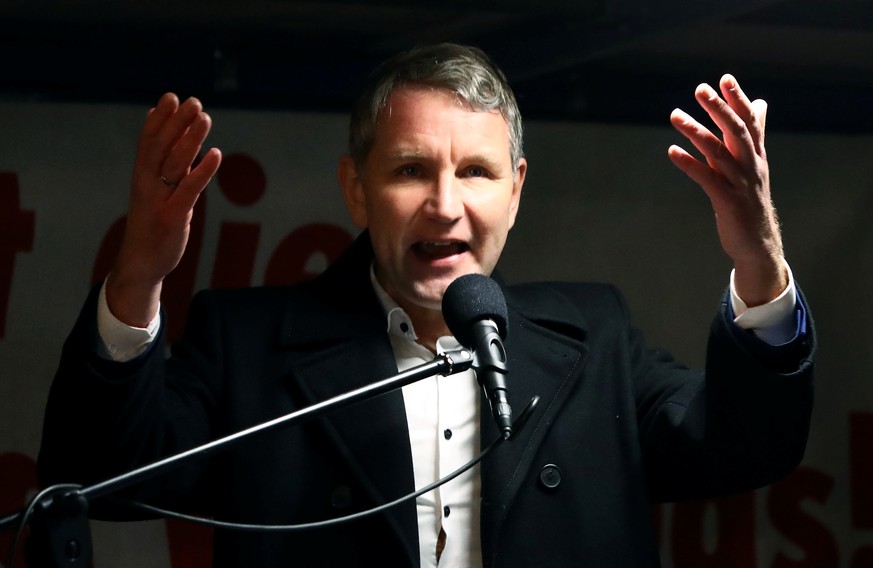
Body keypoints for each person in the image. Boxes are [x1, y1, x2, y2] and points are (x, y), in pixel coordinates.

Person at [38, 43, 814, 567]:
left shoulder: (596, 337)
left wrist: (759, 256)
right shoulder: (247, 342)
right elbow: (103, 474)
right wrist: (138, 272)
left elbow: (746, 447)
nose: (444, 205)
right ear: (355, 189)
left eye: (475, 172)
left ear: (514, 192)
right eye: (411, 169)